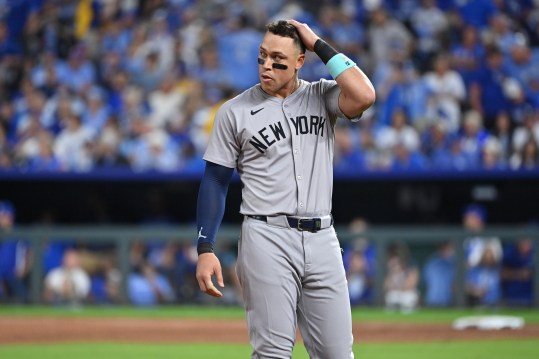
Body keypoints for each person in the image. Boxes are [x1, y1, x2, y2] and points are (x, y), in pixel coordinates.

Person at [195, 19, 375, 358]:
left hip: (323, 237)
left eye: (277, 58)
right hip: (267, 236)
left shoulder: (322, 95)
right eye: (262, 56)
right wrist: (205, 247)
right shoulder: (235, 111)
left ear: (299, 62)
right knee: (273, 353)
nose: (266, 65)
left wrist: (317, 42)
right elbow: (215, 180)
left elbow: (365, 95)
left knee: (338, 354)